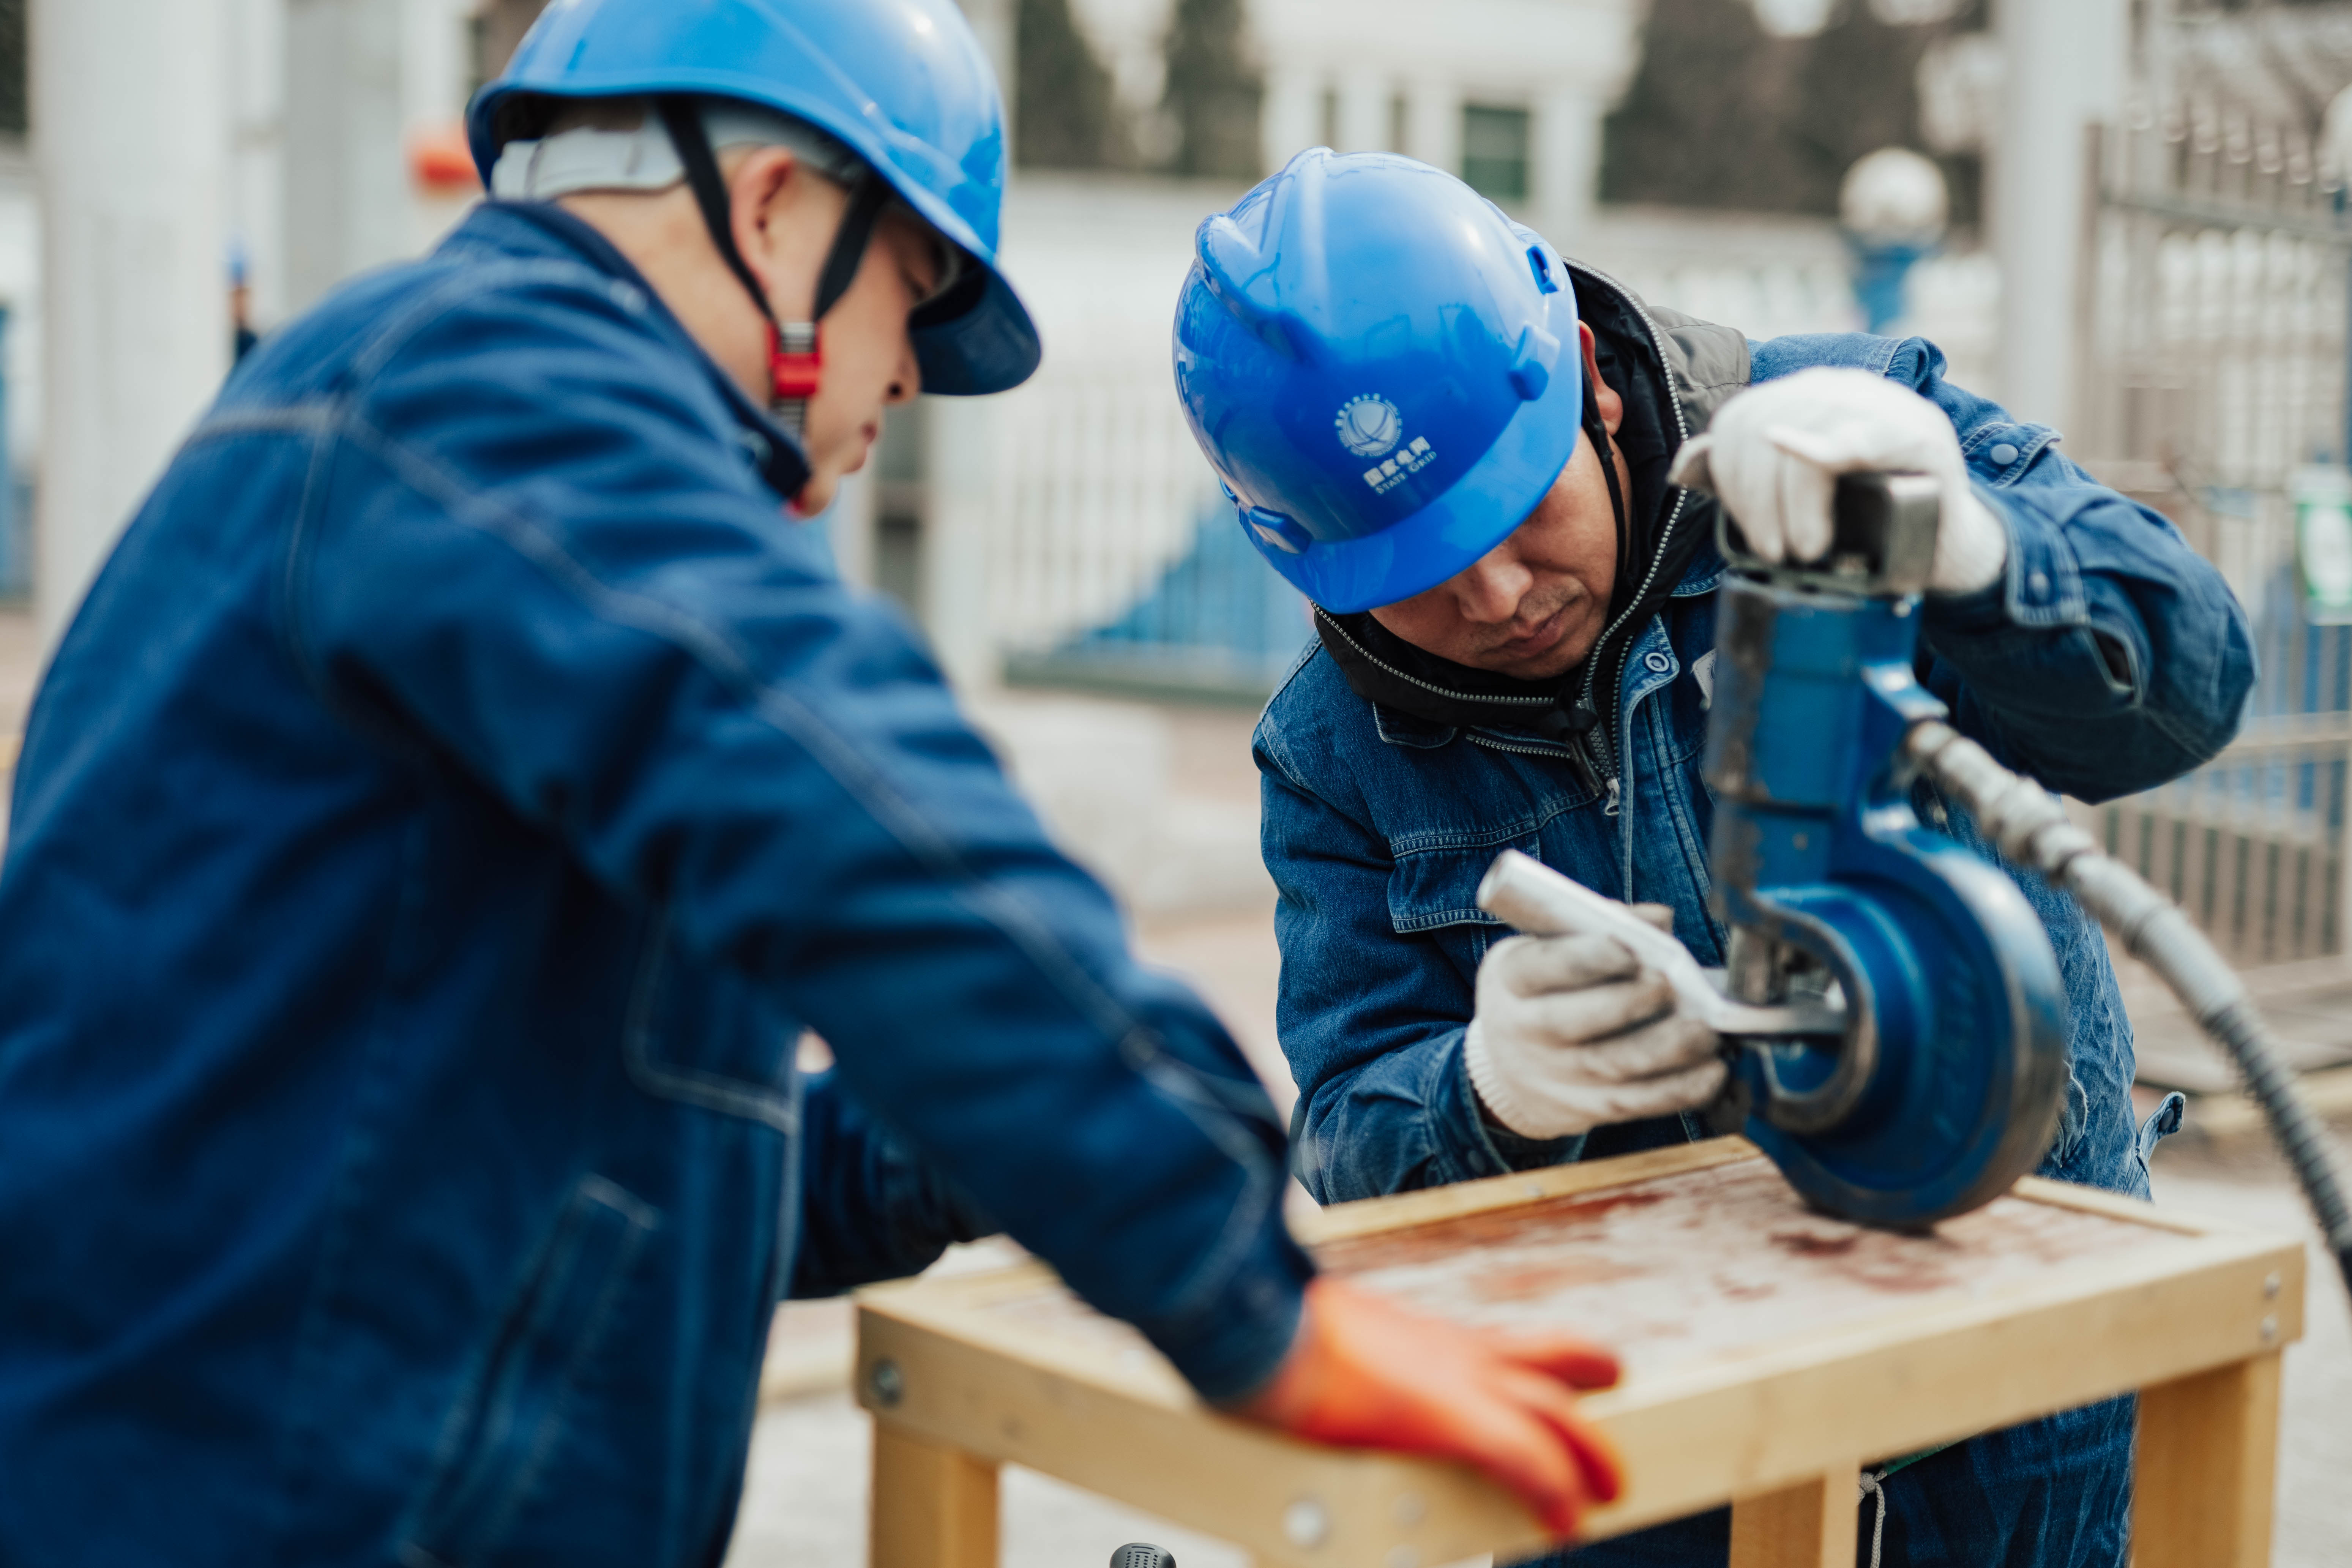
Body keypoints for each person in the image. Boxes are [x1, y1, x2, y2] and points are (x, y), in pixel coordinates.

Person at [0, 7, 1626, 1562]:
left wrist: (940, 1146)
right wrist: (1236, 1280)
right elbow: (860, 813)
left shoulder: (411, 429)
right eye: (912, 300)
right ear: (775, 211)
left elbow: (591, 1151)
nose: (910, 377)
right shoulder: (492, 396)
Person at [1175, 150, 2254, 1566]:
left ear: (1582, 375)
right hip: (1644, 1430)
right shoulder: (1332, 753)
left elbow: (2190, 681)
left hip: (2013, 1365)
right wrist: (1485, 1091)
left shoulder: (1845, 445)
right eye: (1415, 573)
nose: (1495, 596)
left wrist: (1970, 543)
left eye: (1510, 516)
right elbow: (1345, 1132)